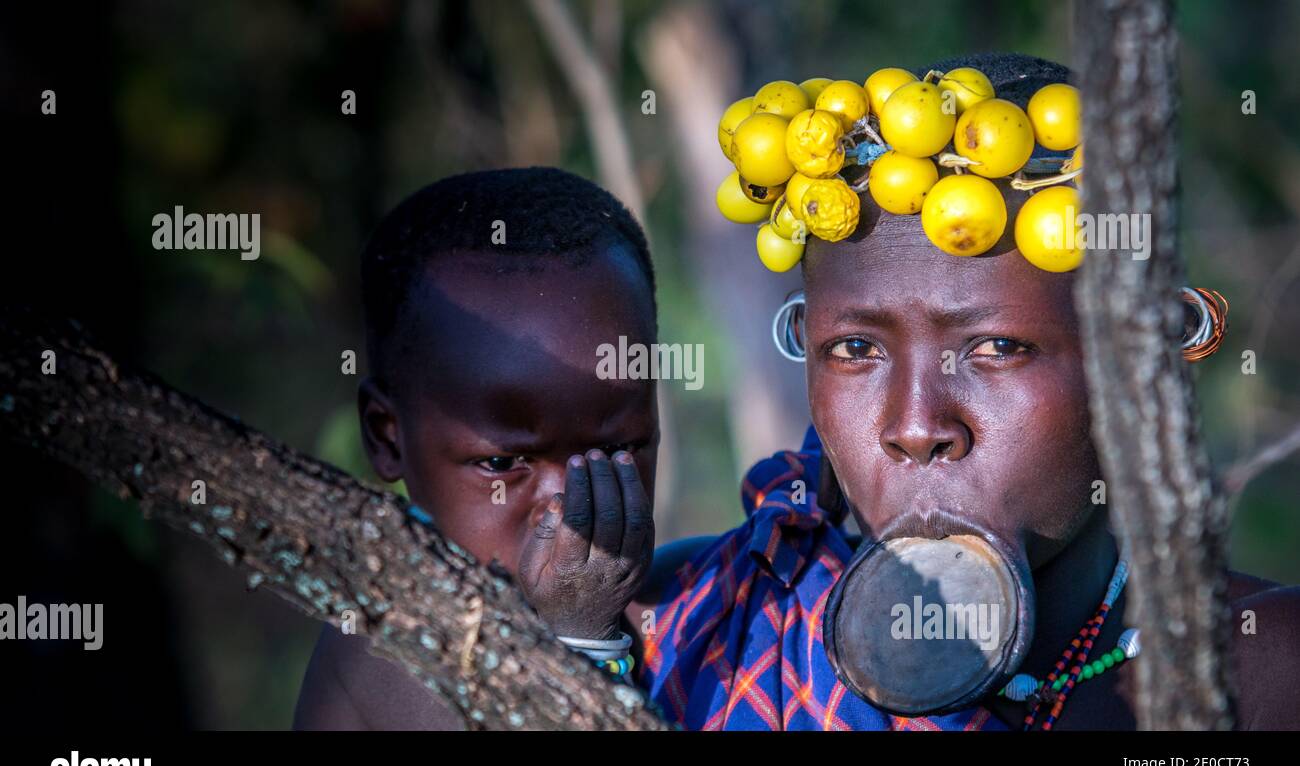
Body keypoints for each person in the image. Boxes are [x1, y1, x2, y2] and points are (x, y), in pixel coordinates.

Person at [626, 52, 1300, 730]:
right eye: (855, 349)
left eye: (997, 348)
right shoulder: (690, 625)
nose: (916, 426)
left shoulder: (1264, 674)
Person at [293, 167, 661, 729]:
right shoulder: (389, 643)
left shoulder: (671, 599)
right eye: (501, 463)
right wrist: (577, 642)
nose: (569, 510)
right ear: (387, 437)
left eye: (620, 448)